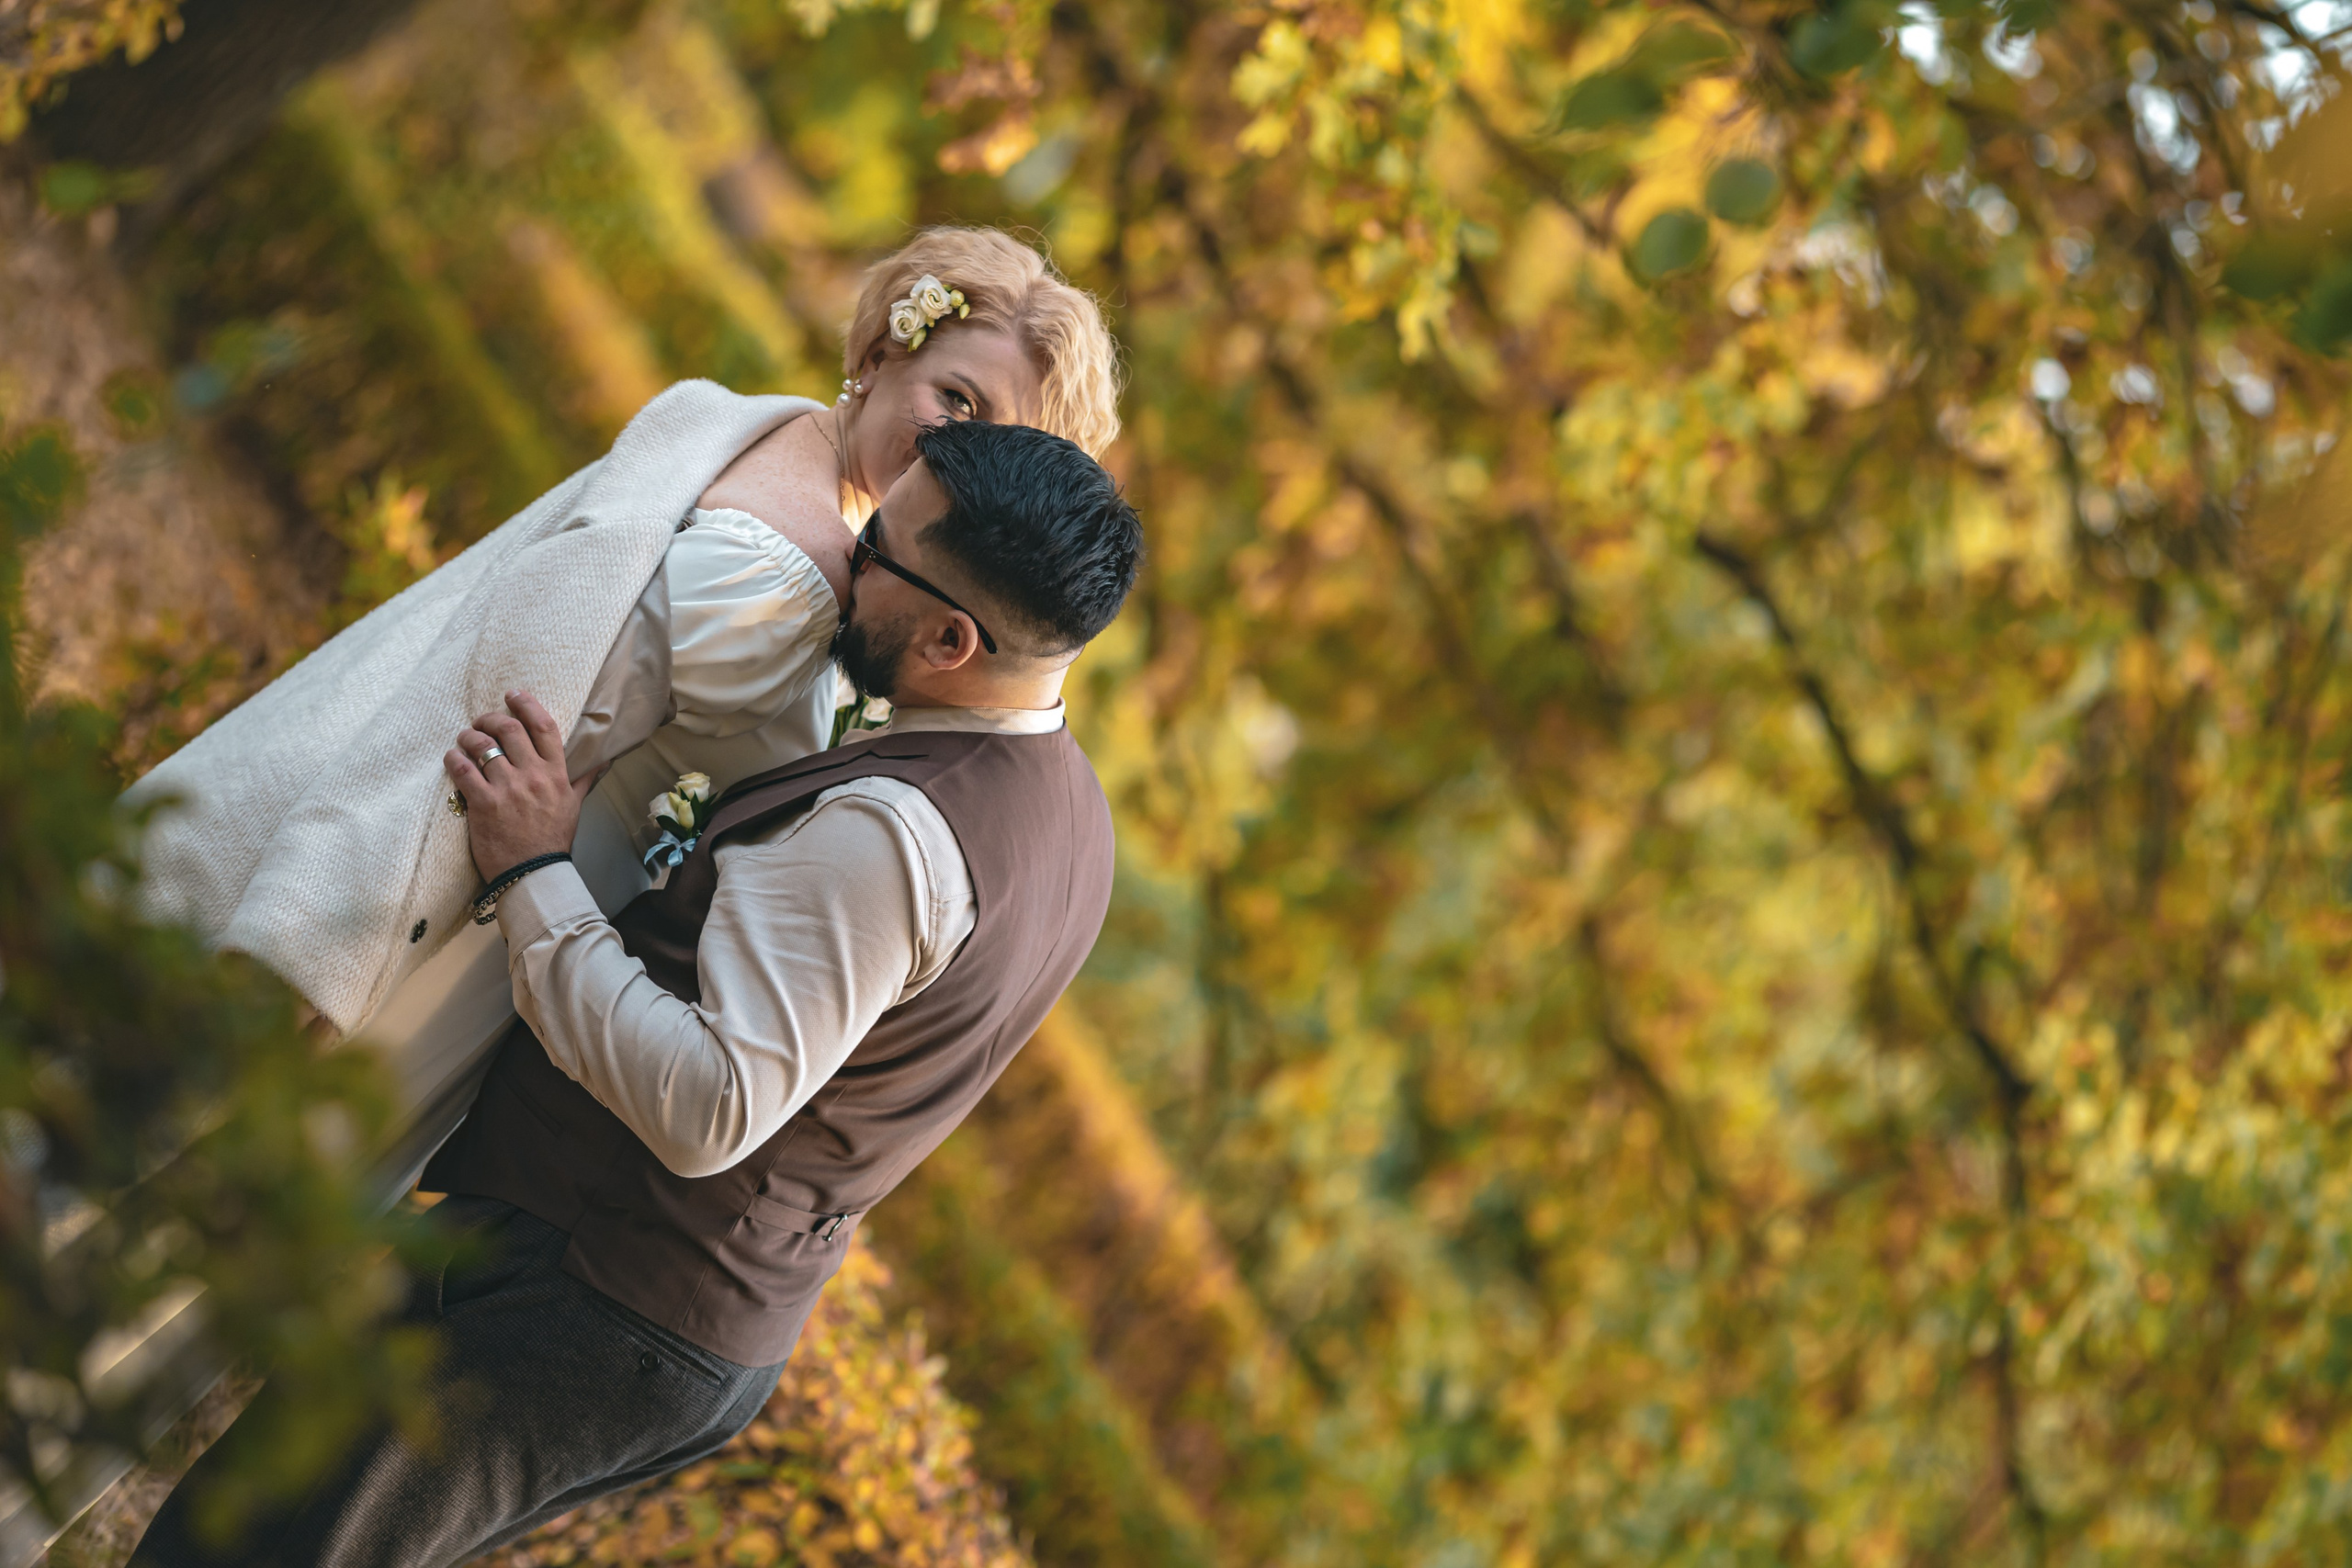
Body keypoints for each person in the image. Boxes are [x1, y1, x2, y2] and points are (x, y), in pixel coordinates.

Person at [132, 418, 1143, 1565]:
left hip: (592, 1292)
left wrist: (530, 870)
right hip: (684, 1327)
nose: (844, 557)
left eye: (877, 553)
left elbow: (709, 1105)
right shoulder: (1068, 811)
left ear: (952, 640)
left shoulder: (885, 834)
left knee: (243, 1545)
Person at [123, 227, 1122, 1182]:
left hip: (469, 871)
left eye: (999, 440)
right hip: (456, 923)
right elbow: (515, 746)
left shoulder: (748, 425)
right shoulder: (797, 586)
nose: (956, 453)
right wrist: (326, 951)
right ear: (879, 351)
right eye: (956, 399)